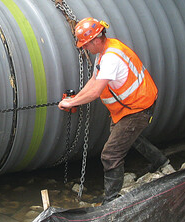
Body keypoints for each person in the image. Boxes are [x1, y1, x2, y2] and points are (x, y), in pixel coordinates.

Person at [58, 17, 169, 203]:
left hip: (138, 108)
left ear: (96, 40)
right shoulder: (105, 51)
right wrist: (75, 99)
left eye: (85, 44)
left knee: (110, 154)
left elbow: (95, 91)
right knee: (124, 136)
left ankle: (111, 201)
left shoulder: (111, 58)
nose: (84, 48)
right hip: (129, 107)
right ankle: (159, 161)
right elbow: (94, 81)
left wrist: (71, 103)